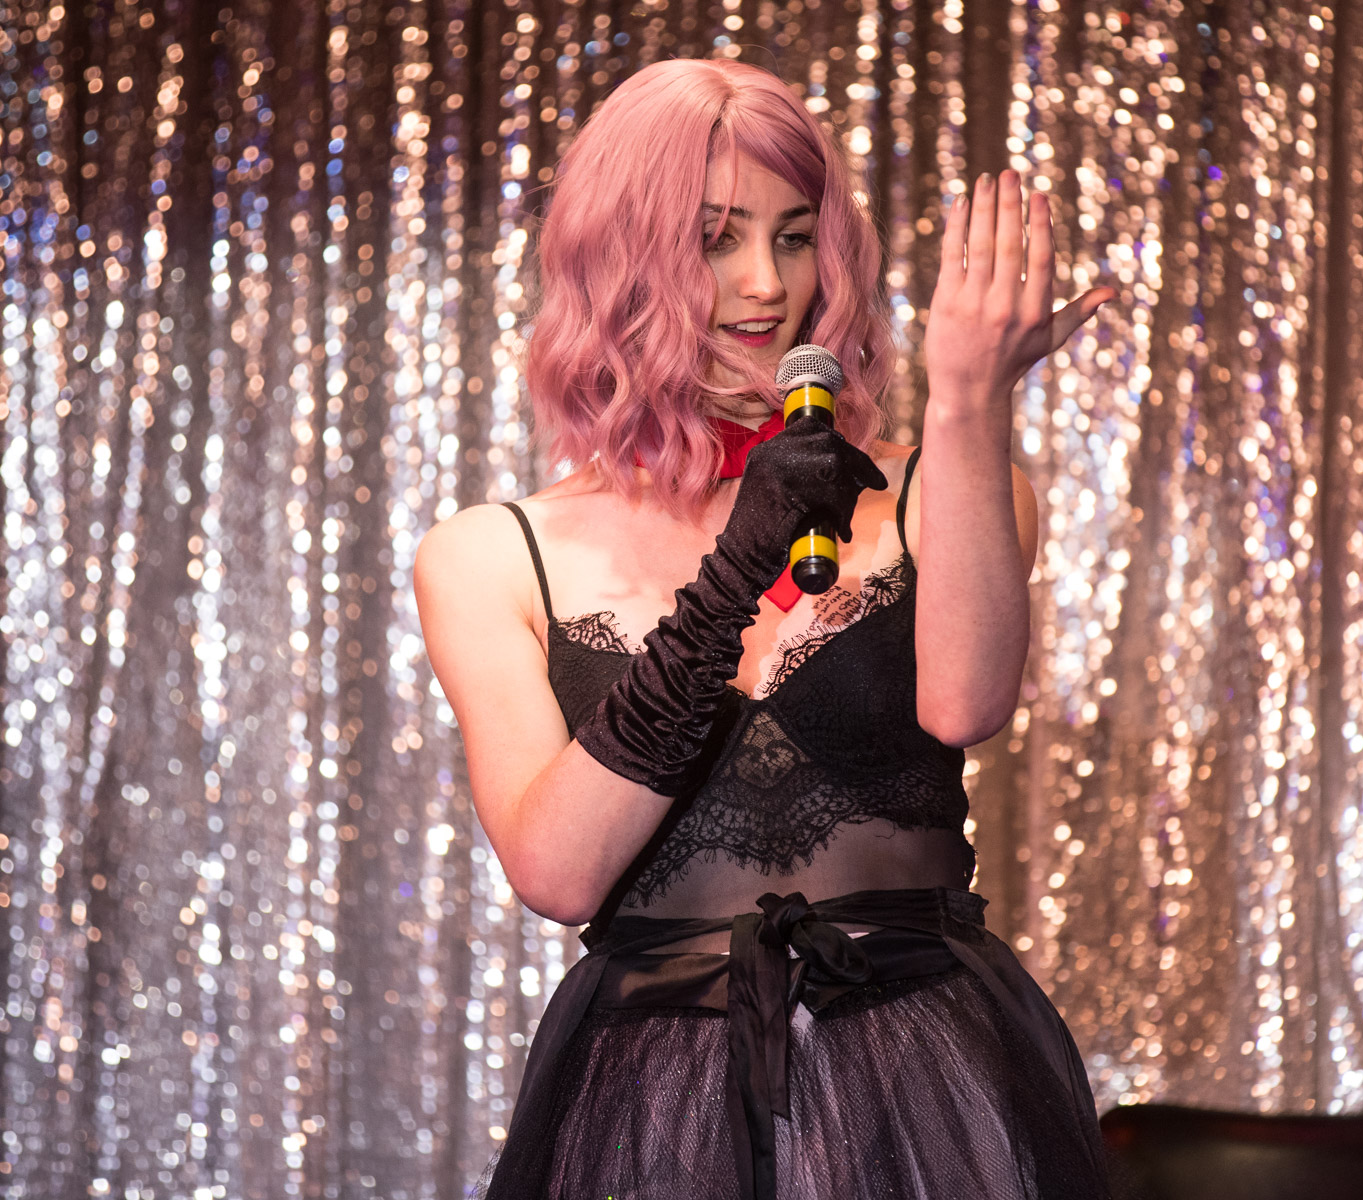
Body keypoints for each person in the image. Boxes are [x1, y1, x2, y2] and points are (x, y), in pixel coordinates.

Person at [415, 57, 1117, 1200]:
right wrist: (744, 560)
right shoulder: (490, 556)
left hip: (922, 1075)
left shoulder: (938, 486)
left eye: (795, 238)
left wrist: (969, 401)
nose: (765, 285)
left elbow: (966, 702)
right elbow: (558, 871)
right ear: (616, 261)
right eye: (716, 239)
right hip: (650, 1104)